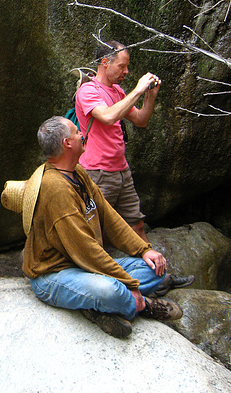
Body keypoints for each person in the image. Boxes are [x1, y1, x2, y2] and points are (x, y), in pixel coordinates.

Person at [22, 116, 183, 338]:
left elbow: (109, 217)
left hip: (84, 266)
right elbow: (85, 249)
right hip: (54, 274)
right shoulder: (55, 188)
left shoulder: (77, 172)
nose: (82, 135)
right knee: (110, 290)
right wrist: (130, 285)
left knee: (153, 268)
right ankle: (143, 305)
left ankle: (96, 306)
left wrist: (144, 249)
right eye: (77, 132)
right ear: (67, 143)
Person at [75, 41, 193, 294]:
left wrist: (149, 96)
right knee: (94, 230)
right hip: (96, 172)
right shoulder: (88, 91)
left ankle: (159, 278)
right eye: (122, 66)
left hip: (120, 170)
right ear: (105, 63)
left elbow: (140, 120)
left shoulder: (117, 91)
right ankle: (97, 284)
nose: (126, 71)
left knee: (136, 224)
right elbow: (107, 116)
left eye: (127, 67)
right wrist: (138, 90)